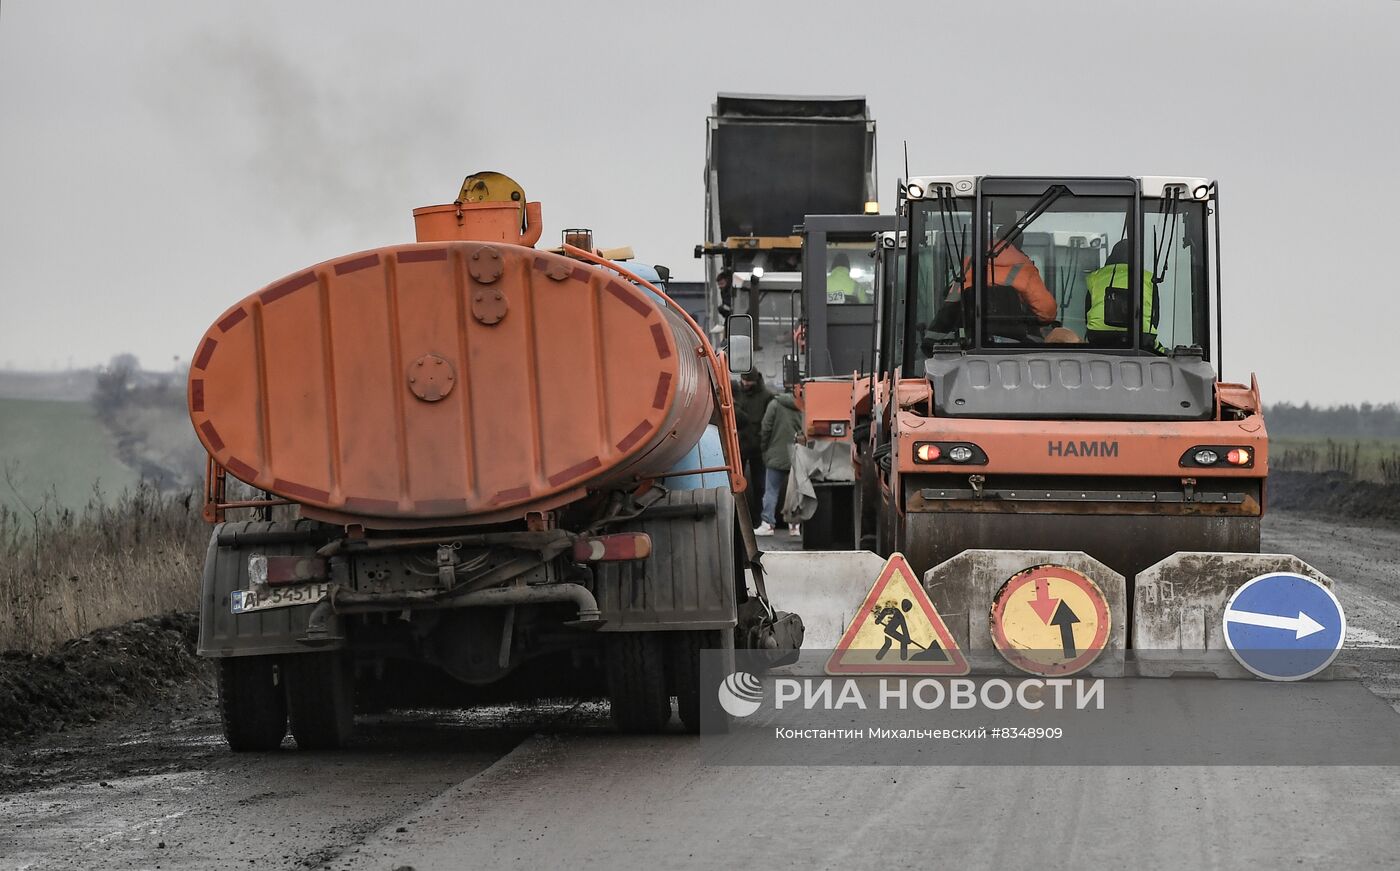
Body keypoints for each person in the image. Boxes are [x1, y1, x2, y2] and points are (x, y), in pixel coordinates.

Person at [929, 205, 1057, 339]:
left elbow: (952, 300)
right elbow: (1047, 312)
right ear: (1019, 245)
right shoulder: (1025, 269)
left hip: (970, 339)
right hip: (1014, 344)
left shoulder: (969, 264)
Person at [1085, 239, 1159, 349]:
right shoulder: (1149, 278)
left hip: (1099, 335)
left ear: (1111, 257)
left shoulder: (1095, 277)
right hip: (1141, 336)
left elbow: (1087, 311)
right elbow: (1155, 317)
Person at [757, 386, 802, 536]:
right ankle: (794, 525)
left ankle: (768, 524)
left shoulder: (774, 405)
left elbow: (766, 427)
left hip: (776, 455)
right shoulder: (803, 405)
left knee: (771, 491)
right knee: (796, 492)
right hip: (796, 455)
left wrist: (765, 449)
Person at [732, 369, 773, 529]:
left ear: (755, 381)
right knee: (736, 484)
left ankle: (759, 519)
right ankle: (738, 518)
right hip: (739, 445)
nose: (745, 384)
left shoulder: (766, 396)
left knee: (760, 485)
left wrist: (764, 440)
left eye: (748, 381)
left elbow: (769, 420)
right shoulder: (737, 393)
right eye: (743, 380)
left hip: (757, 446)